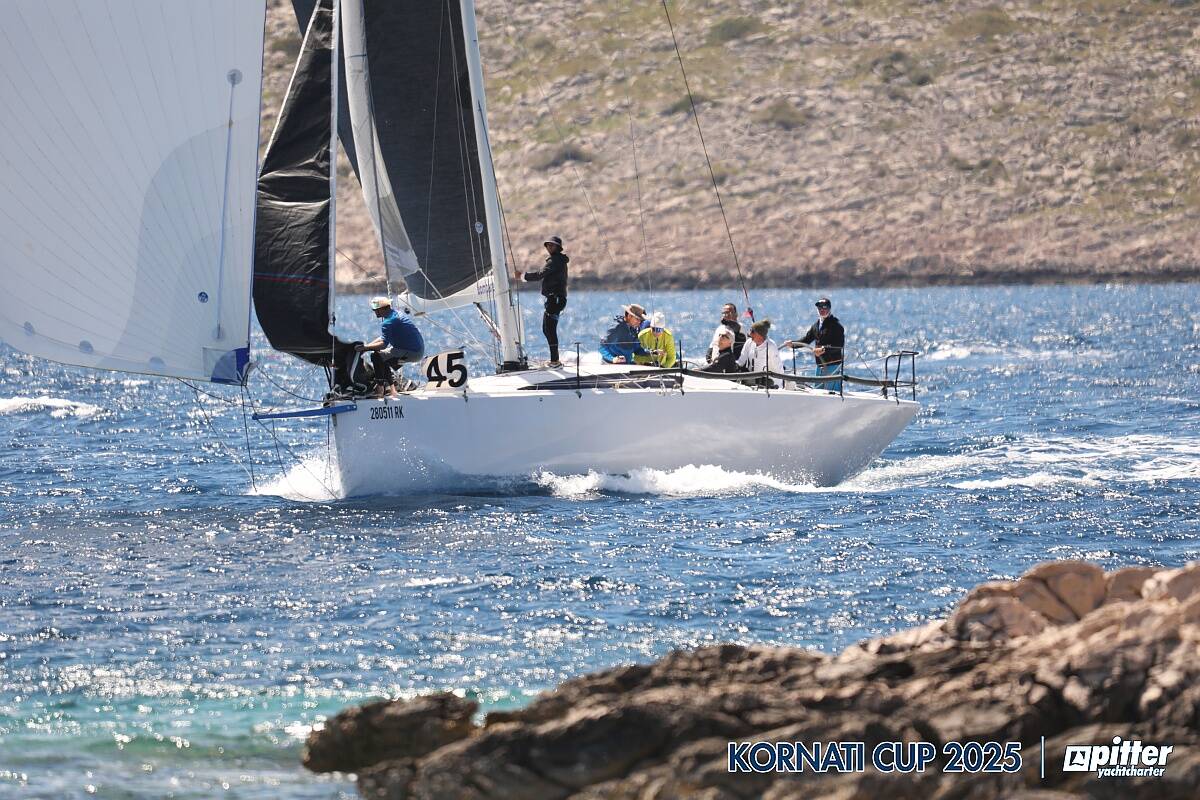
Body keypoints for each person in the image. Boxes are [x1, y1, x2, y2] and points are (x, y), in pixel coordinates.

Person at [515, 235, 569, 367]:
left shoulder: (555, 260)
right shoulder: (558, 260)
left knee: (549, 329)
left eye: (552, 245)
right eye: (548, 245)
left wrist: (523, 276)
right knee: (547, 329)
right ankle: (554, 359)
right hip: (555, 300)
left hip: (555, 300)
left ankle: (555, 361)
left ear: (558, 247)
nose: (549, 247)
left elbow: (540, 274)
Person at [355, 296, 425, 397]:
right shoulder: (395, 314)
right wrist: (367, 347)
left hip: (411, 352)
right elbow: (383, 337)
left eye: (377, 310)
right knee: (383, 358)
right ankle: (391, 389)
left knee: (376, 356)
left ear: (385, 308)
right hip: (416, 350)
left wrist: (365, 348)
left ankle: (380, 389)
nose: (375, 313)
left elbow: (383, 345)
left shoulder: (388, 322)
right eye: (374, 310)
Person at [784, 296, 844, 391]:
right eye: (820, 308)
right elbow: (806, 339)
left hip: (833, 366)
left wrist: (823, 349)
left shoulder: (836, 325)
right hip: (820, 366)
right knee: (818, 392)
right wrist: (793, 344)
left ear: (829, 309)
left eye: (825, 307)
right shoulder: (816, 326)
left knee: (833, 393)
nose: (822, 310)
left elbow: (839, 345)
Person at [737, 318, 783, 387]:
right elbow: (741, 361)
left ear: (759, 334)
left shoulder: (771, 346)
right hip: (751, 382)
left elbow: (778, 370)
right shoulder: (749, 342)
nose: (749, 334)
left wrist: (778, 387)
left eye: (752, 331)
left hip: (768, 384)